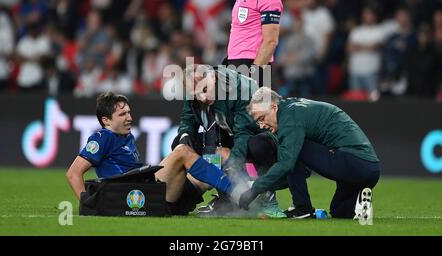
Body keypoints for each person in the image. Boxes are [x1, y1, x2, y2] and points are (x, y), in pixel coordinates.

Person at [66, 92, 233, 215]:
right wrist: (87, 204)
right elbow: (73, 173)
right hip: (141, 197)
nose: (129, 117)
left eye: (129, 112)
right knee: (182, 152)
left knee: (221, 154)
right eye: (122, 114)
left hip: (155, 193)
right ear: (106, 120)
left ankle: (241, 196)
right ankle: (237, 192)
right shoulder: (102, 138)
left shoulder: (126, 137)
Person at [239, 87, 380, 222]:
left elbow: (286, 164)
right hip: (369, 169)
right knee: (339, 210)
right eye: (258, 121)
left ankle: (302, 209)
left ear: (274, 107)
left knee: (292, 152)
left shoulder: (289, 117)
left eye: (262, 118)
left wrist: (254, 189)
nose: (261, 125)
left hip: (355, 163)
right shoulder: (292, 107)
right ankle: (359, 207)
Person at [174, 64, 286, 218]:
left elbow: (244, 132)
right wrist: (184, 137)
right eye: (196, 95)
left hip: (263, 137)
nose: (202, 98)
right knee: (181, 144)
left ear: (213, 77)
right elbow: (187, 121)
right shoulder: (194, 87)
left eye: (205, 90)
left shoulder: (240, 88)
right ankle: (219, 195)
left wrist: (232, 163)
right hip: (227, 133)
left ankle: (263, 193)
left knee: (256, 145)